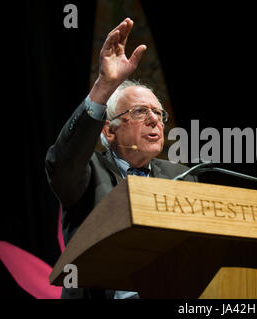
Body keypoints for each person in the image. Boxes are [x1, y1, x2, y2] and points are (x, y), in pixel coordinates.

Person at [45, 18, 197, 299]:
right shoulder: (88, 173)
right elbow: (61, 162)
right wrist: (105, 85)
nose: (154, 120)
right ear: (109, 130)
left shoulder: (183, 176)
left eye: (158, 113)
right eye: (140, 112)